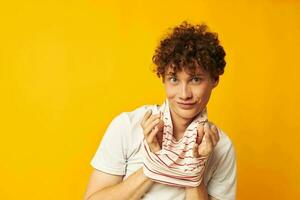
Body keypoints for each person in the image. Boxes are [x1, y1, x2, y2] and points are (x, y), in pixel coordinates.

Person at [84, 21, 237, 200]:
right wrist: (154, 164)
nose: (184, 94)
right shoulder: (128, 126)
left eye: (195, 79)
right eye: (174, 79)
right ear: (163, 79)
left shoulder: (221, 148)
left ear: (214, 79)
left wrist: (193, 168)